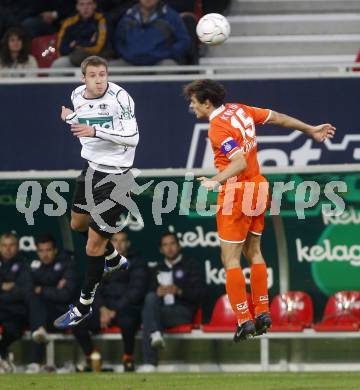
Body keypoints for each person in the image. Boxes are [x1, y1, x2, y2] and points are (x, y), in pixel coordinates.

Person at [183, 79, 336, 341]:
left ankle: (244, 319)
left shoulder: (217, 127)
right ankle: (263, 312)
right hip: (258, 187)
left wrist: (214, 181)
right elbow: (277, 118)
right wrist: (309, 129)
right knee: (254, 252)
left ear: (206, 102)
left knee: (230, 260)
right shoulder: (239, 109)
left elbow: (239, 162)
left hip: (237, 191)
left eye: (194, 101)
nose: (191, 106)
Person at [53, 55, 139, 330]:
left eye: (103, 74)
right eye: (94, 75)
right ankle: (113, 258)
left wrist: (95, 130)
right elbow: (82, 124)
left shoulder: (121, 97)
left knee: (93, 246)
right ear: (83, 79)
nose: (100, 79)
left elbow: (133, 137)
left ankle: (83, 305)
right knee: (77, 223)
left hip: (116, 177)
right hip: (91, 170)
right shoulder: (77, 95)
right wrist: (72, 118)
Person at [75, 231, 148, 372]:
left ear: (128, 244)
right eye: (115, 240)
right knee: (78, 322)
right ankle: (93, 358)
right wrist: (102, 309)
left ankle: (128, 358)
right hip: (104, 310)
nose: (119, 244)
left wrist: (115, 311)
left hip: (126, 309)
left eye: (122, 240)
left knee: (128, 321)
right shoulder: (100, 261)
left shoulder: (137, 262)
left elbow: (136, 291)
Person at [139, 231, 206, 372]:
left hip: (183, 311)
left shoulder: (190, 265)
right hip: (160, 311)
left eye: (172, 244)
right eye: (165, 245)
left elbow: (200, 294)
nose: (169, 248)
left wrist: (179, 291)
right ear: (161, 249)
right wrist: (157, 292)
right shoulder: (156, 269)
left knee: (149, 318)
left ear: (179, 246)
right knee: (150, 298)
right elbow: (145, 297)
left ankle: (149, 362)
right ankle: (155, 333)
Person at [26, 235, 78, 373]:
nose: (45, 254)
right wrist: (55, 288)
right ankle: (40, 334)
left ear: (55, 250)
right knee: (34, 301)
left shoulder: (67, 264)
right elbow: (27, 290)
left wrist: (41, 289)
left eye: (48, 250)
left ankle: (35, 362)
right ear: (37, 252)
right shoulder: (32, 266)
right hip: (39, 314)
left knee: (37, 306)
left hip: (60, 314)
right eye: (41, 250)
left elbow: (66, 294)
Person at [112, 0, 190, 66]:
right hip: (129, 62)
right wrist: (127, 54)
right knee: (109, 68)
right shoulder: (128, 16)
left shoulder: (171, 16)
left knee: (169, 66)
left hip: (160, 62)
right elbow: (118, 40)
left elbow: (183, 40)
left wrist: (168, 53)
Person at [0, 232, 32, 373]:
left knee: (14, 329)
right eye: (4, 245)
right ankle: (3, 356)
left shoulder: (24, 264)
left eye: (11, 245)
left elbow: (23, 290)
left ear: (18, 247)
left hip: (15, 310)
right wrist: (3, 286)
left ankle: (3, 355)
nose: (8, 249)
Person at [52, 0, 109, 68]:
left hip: (97, 58)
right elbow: (61, 49)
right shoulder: (69, 22)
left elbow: (99, 47)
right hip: (73, 58)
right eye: (82, 4)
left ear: (95, 5)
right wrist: (88, 43)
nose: (85, 7)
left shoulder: (102, 19)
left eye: (89, 4)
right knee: (59, 64)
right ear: (77, 7)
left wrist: (75, 43)